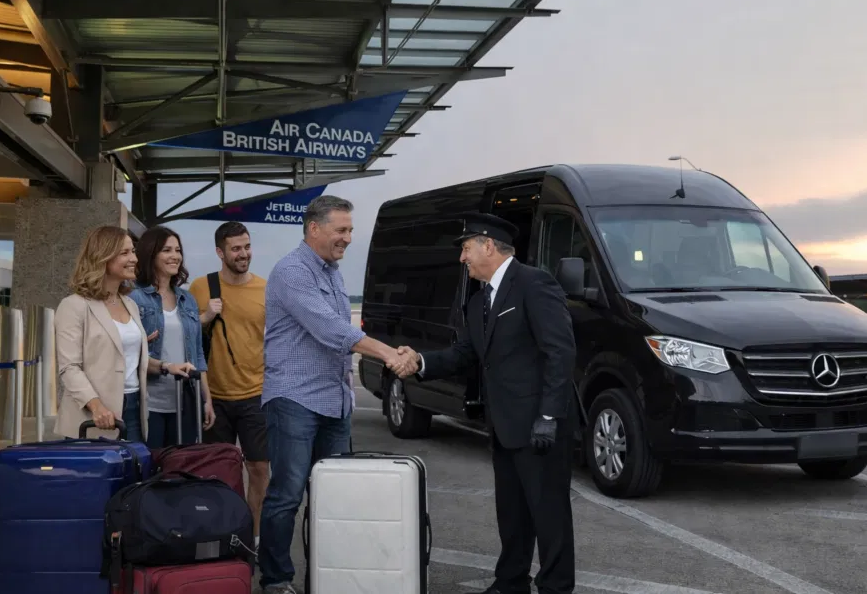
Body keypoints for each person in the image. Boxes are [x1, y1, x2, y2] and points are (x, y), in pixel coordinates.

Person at [393, 212, 578, 594]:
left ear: (488, 246)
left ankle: (556, 587)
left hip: (539, 424)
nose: (462, 258)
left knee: (549, 514)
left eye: (466, 248)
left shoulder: (533, 283)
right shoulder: (479, 301)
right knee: (512, 513)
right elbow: (464, 353)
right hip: (504, 425)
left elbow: (560, 352)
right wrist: (420, 362)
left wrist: (548, 415)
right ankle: (510, 582)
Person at [258, 195, 411, 594]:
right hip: (294, 399)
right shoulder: (292, 271)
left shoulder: (331, 272)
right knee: (287, 495)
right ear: (314, 228)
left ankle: (330, 575)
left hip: (334, 401)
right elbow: (331, 330)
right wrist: (388, 354)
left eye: (350, 230)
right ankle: (276, 580)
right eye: (340, 230)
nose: (347, 238)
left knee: (335, 498)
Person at [54, 225, 195, 441]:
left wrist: (167, 366)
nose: (135, 259)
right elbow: (69, 368)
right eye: (125, 253)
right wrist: (96, 406)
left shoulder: (129, 303)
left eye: (133, 252)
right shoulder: (74, 306)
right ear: (103, 257)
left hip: (135, 408)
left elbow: (131, 359)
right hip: (94, 415)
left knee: (135, 473)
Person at [188, 221, 268, 545]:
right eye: (236, 248)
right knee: (218, 471)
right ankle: (223, 532)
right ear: (220, 252)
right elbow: (187, 339)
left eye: (247, 246)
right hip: (214, 397)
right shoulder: (201, 287)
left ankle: (253, 535)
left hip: (256, 393)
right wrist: (206, 317)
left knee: (260, 469)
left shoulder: (266, 288)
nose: (243, 254)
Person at [129, 226, 214, 448]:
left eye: (177, 250)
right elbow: (130, 354)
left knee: (179, 471)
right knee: (151, 470)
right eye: (167, 250)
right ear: (151, 253)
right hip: (149, 403)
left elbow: (196, 354)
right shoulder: (135, 299)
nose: (175, 256)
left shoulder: (188, 300)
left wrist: (206, 399)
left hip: (185, 401)